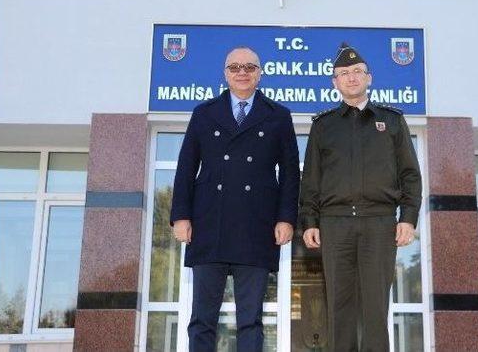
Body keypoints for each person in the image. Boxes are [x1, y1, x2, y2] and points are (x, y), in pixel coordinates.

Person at [170, 47, 300, 352]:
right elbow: (186, 167)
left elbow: (291, 173)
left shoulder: (278, 116)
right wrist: (181, 215)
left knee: (251, 319)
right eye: (235, 67)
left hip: (257, 226)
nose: (242, 72)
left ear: (260, 73)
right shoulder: (204, 113)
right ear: (225, 73)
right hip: (209, 224)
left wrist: (286, 218)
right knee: (202, 318)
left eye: (250, 67)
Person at [299, 42, 422, 352]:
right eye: (344, 73)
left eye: (357, 72)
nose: (351, 77)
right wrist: (310, 221)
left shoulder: (392, 122)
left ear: (369, 78)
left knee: (375, 308)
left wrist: (407, 219)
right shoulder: (324, 126)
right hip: (335, 224)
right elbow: (311, 178)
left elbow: (410, 174)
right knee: (339, 307)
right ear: (334, 83)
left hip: (378, 224)